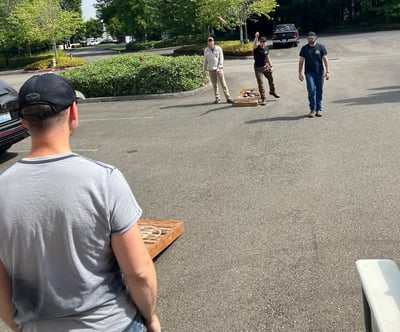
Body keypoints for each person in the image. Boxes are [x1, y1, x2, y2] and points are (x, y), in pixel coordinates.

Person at [0, 73, 161, 332]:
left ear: (23, 121)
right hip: (111, 324)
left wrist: (19, 327)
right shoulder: (104, 180)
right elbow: (138, 273)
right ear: (73, 112)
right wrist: (150, 317)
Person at [298, 31, 330, 118]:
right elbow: (301, 62)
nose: (310, 39)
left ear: (315, 38)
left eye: (312, 38)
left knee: (319, 91)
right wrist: (300, 73)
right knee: (311, 90)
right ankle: (312, 109)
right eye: (309, 38)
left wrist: (327, 72)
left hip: (320, 73)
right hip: (309, 73)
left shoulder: (321, 47)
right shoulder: (304, 48)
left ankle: (319, 109)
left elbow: (325, 59)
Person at [203, 36, 233, 104]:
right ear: (208, 42)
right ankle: (217, 98)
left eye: (211, 41)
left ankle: (228, 98)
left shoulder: (218, 49)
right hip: (211, 69)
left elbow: (221, 59)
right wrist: (204, 70)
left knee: (223, 84)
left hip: (219, 69)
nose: (210, 42)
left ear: (214, 41)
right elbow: (205, 61)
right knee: (214, 85)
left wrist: (219, 67)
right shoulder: (206, 50)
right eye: (209, 41)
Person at [253, 32, 280, 106]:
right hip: (258, 68)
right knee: (261, 84)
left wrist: (271, 66)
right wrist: (256, 37)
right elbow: (254, 44)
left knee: (271, 80)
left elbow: (267, 57)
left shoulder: (266, 48)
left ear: (265, 42)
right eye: (261, 41)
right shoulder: (257, 48)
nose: (262, 43)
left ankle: (272, 91)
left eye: (263, 41)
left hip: (266, 67)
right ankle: (263, 99)